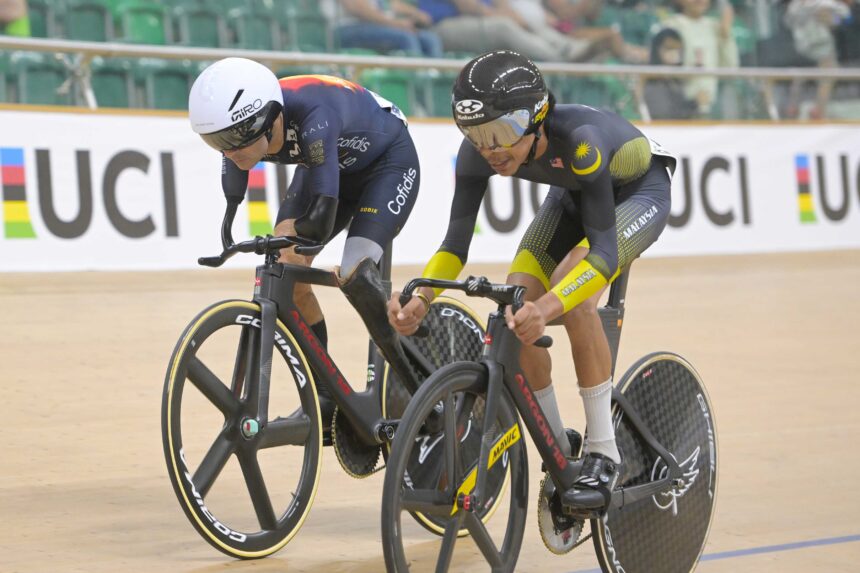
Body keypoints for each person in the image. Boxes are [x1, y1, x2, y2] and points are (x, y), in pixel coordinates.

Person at [388, 51, 675, 513]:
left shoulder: (580, 141)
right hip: (573, 193)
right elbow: (454, 246)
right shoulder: (480, 152)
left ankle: (604, 450)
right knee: (513, 306)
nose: (491, 149)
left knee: (573, 299)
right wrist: (421, 295)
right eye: (476, 135)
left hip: (639, 193)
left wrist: (548, 309)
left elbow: (601, 254)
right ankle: (560, 445)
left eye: (501, 132)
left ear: (537, 117)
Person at [189, 57, 421, 438]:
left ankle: (409, 372)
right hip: (330, 163)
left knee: (354, 269)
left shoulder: (314, 115)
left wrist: (301, 234)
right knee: (286, 266)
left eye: (233, 140)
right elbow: (239, 197)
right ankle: (326, 394)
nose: (227, 152)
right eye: (215, 142)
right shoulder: (239, 135)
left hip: (387, 164)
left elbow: (321, 217)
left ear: (267, 118)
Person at [661, 0, 739, 117]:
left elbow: (730, 69)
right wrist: (693, 101)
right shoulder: (671, 25)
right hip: (678, 108)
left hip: (712, 107)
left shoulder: (714, 26)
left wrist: (725, 35)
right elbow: (667, 71)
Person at [323, 0, 444, 58]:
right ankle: (416, 96)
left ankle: (436, 93)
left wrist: (417, 13)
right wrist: (396, 24)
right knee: (406, 38)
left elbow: (388, 4)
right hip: (345, 28)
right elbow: (358, 9)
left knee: (430, 39)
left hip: (376, 26)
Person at [644, 28, 700, 119]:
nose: (673, 53)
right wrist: (694, 104)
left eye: (677, 49)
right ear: (657, 49)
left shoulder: (676, 80)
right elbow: (663, 116)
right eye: (669, 48)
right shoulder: (652, 82)